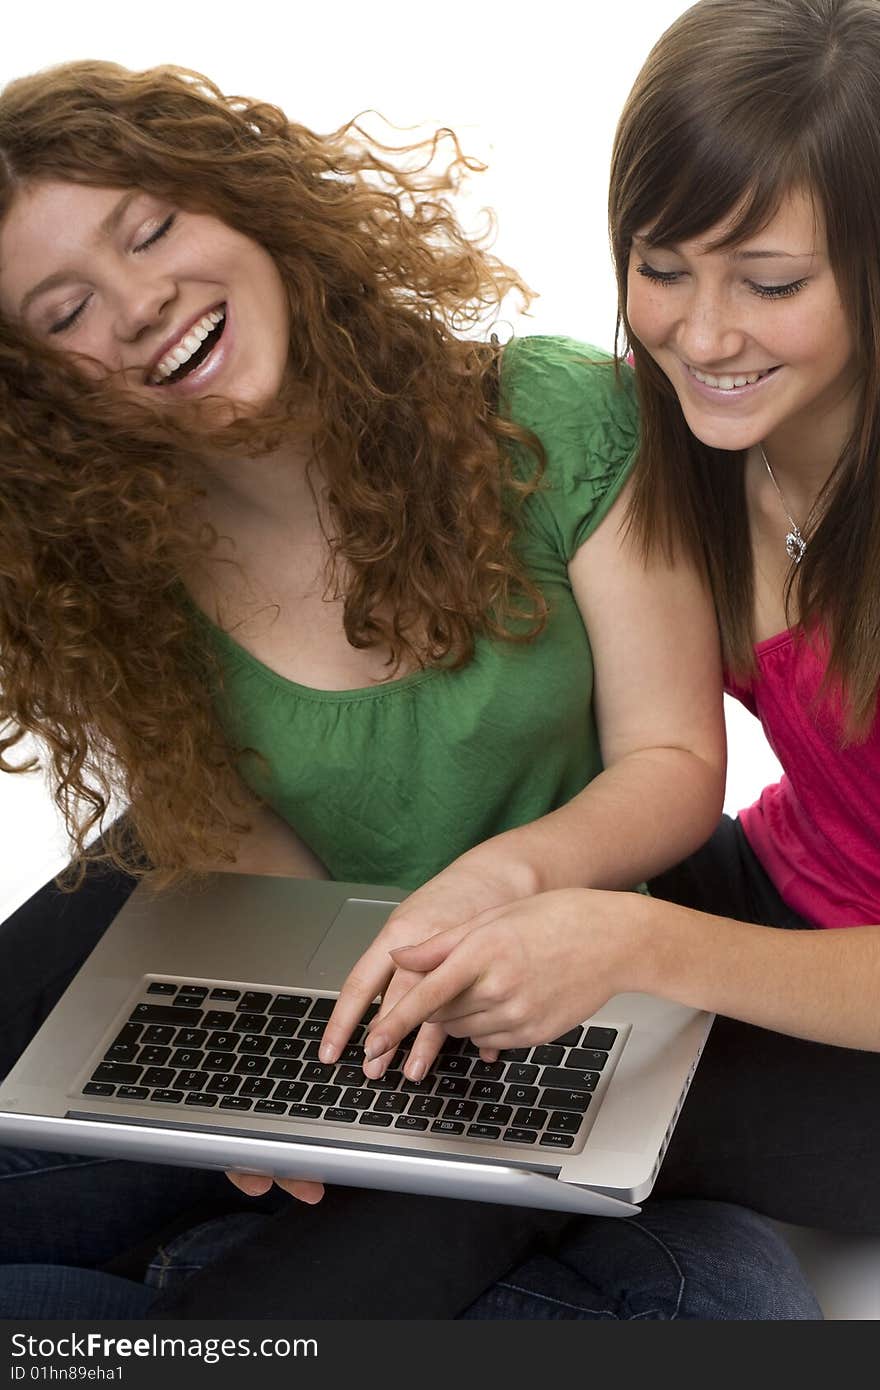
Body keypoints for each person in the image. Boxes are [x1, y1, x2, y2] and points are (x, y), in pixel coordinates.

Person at [0, 58, 820, 1319]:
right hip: (350, 1020)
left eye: (151, 227)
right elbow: (239, 847)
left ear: (253, 206)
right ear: (41, 390)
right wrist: (273, 1060)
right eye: (64, 311)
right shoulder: (117, 570)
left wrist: (501, 884)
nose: (138, 301)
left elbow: (668, 765)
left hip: (582, 998)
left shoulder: (555, 414)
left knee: (728, 1301)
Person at [337, 0, 880, 1241]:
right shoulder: (673, 427)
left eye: (772, 281)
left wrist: (636, 941)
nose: (702, 334)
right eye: (662, 266)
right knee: (411, 1023)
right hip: (768, 887)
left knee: (521, 1123)